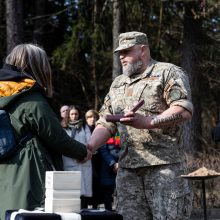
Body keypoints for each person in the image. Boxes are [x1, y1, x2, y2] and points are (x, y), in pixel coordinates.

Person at [87, 31, 193, 220]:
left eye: (126, 51)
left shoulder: (167, 72)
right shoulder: (118, 84)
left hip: (164, 169)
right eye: (119, 52)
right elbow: (105, 121)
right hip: (128, 172)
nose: (121, 57)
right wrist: (90, 146)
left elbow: (183, 110)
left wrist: (147, 122)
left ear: (142, 50)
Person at [0, 44, 89, 220]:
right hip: (28, 179)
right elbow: (57, 138)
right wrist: (84, 151)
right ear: (37, 67)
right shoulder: (30, 98)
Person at [62, 105, 92, 209]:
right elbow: (64, 144)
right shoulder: (63, 127)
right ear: (68, 115)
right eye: (72, 114)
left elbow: (90, 142)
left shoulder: (84, 126)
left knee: (84, 193)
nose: (74, 116)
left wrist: (85, 154)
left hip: (84, 161)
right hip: (69, 161)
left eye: (76, 114)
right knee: (72, 190)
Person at [84, 109, 103, 208]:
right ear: (86, 119)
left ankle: (96, 204)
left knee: (97, 183)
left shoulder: (99, 129)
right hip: (88, 160)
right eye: (90, 117)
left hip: (98, 160)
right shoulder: (83, 129)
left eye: (95, 117)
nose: (93, 119)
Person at [99, 133, 120, 211]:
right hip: (107, 167)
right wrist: (113, 164)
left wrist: (120, 163)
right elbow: (103, 150)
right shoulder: (105, 134)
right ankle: (108, 212)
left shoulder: (121, 132)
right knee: (108, 191)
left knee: (120, 191)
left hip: (121, 165)